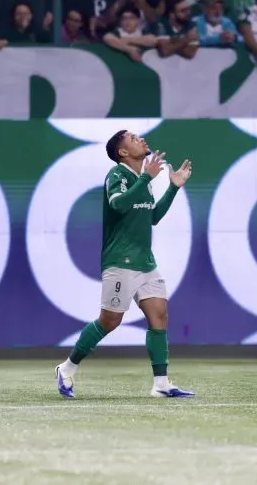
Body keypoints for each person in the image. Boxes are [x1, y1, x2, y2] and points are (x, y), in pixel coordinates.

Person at [55, 132, 193, 400]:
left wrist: (173, 187)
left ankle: (161, 384)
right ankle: (66, 368)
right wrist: (145, 178)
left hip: (145, 261)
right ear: (123, 152)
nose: (139, 138)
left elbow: (152, 217)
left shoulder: (144, 181)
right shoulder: (116, 175)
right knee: (110, 320)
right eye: (132, 138)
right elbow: (118, 204)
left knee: (159, 315)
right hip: (121, 260)